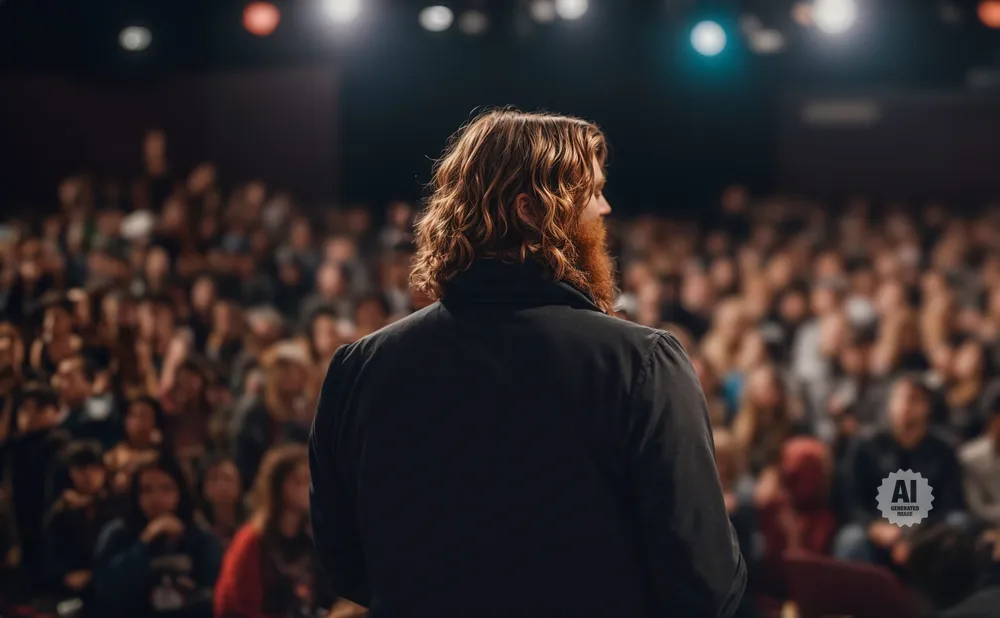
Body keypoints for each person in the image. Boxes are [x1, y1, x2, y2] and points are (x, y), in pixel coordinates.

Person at [309, 110, 746, 618]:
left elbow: (343, 561)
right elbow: (705, 583)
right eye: (594, 192)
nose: (604, 208)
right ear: (533, 210)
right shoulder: (642, 364)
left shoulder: (359, 368)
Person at [214, 444, 352, 618]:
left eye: (309, 479)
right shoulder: (252, 540)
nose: (308, 488)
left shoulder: (312, 537)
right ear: (278, 487)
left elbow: (328, 595)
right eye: (298, 481)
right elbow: (240, 607)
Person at [92, 453, 221, 618]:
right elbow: (106, 590)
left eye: (166, 488)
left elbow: (213, 594)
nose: (156, 498)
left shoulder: (200, 536)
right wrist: (144, 542)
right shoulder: (117, 534)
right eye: (147, 490)